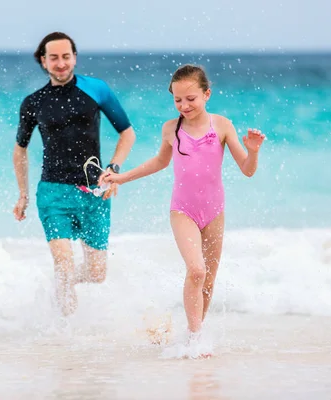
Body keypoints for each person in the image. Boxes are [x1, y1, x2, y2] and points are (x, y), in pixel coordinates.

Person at [103, 64, 265, 340]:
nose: (184, 105)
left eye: (191, 99)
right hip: (183, 211)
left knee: (208, 281)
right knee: (197, 270)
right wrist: (121, 178)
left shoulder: (222, 125)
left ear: (206, 94)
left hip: (215, 212)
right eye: (178, 100)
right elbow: (159, 162)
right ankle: (196, 337)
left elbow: (248, 170)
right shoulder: (171, 128)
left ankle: (192, 338)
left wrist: (253, 152)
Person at [12, 32, 136, 316]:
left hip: (94, 191)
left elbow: (127, 133)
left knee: (96, 273)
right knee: (64, 261)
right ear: (43, 61)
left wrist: (114, 169)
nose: (60, 63)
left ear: (74, 57)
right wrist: (23, 194)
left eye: (66, 57)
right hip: (53, 193)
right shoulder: (34, 102)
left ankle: (60, 286)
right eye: (53, 58)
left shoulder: (97, 90)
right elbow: (20, 150)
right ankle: (65, 335)